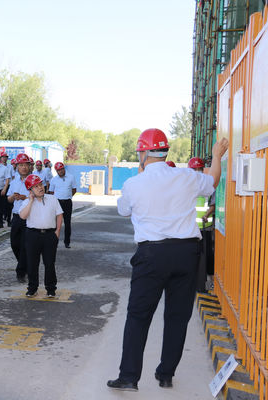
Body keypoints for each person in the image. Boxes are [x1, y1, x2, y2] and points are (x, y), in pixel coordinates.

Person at [107, 129, 228, 392]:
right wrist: (217, 156)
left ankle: (129, 377)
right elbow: (213, 181)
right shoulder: (186, 176)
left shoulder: (134, 184)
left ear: (143, 153)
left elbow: (124, 210)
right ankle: (166, 374)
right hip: (186, 253)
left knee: (138, 316)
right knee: (177, 316)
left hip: (151, 255)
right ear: (165, 152)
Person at [19, 174, 63, 298]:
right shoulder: (27, 202)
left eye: (40, 185)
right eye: (36, 186)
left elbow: (59, 214)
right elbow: (23, 216)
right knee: (32, 263)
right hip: (32, 235)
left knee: (49, 263)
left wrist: (57, 231)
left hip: (49, 235)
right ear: (30, 190)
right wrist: (31, 201)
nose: (40, 188)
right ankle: (32, 288)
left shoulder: (52, 199)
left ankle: (51, 289)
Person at [188, 157, 215, 292]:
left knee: (207, 256)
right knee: (193, 256)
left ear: (203, 169)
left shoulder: (207, 185)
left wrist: (206, 215)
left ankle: (208, 282)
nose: (197, 171)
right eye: (194, 169)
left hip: (205, 228)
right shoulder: (186, 185)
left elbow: (213, 204)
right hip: (191, 229)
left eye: (199, 169)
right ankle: (194, 281)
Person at [7, 153, 31, 283]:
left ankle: (21, 272)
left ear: (29, 166)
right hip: (16, 216)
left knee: (24, 245)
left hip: (29, 217)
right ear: (17, 167)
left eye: (26, 165)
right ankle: (24, 265)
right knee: (14, 243)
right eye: (21, 165)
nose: (23, 167)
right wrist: (13, 197)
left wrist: (24, 197)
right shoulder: (14, 181)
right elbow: (9, 199)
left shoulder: (34, 180)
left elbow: (39, 197)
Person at [49, 162, 77, 248]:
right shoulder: (54, 179)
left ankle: (67, 242)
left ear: (64, 169)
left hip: (67, 202)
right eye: (58, 170)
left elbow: (74, 189)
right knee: (55, 223)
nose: (60, 171)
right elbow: (51, 192)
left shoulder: (71, 177)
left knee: (67, 223)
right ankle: (53, 242)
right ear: (56, 171)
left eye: (61, 169)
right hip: (57, 203)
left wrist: (68, 196)